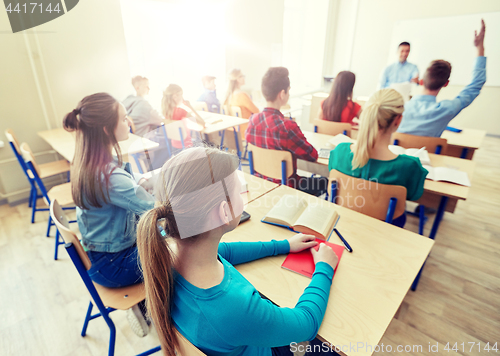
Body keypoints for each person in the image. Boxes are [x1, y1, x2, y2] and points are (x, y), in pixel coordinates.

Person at [136, 146, 340, 356]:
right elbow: (307, 324)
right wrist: (324, 267)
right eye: (239, 192)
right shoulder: (234, 306)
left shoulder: (170, 254)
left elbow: (226, 252)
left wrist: (283, 245)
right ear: (224, 211)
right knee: (336, 346)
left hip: (237, 336)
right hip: (265, 347)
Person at [63, 92, 155, 337]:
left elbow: (128, 187)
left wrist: (145, 182)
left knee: (161, 235)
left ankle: (146, 305)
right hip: (116, 267)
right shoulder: (109, 177)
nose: (129, 122)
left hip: (101, 259)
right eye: (124, 119)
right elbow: (154, 210)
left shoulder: (88, 162)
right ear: (106, 129)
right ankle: (160, 314)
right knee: (175, 247)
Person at [328, 89, 428, 228]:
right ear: (398, 120)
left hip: (342, 223)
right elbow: (412, 195)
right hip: (385, 231)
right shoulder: (409, 166)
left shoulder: (339, 151)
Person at [246, 67, 328, 197]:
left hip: (261, 184)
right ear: (282, 94)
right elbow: (312, 156)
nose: (289, 94)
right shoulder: (287, 127)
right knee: (325, 182)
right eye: (288, 91)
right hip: (287, 188)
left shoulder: (252, 121)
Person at [398, 20, 486, 137]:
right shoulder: (447, 109)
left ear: (421, 81)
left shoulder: (400, 108)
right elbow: (476, 84)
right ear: (446, 83)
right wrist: (480, 48)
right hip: (425, 154)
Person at [161, 84, 205, 150]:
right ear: (175, 96)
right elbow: (202, 123)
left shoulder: (165, 113)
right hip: (186, 148)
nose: (182, 97)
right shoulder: (181, 111)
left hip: (174, 148)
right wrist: (190, 106)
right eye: (181, 95)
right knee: (206, 143)